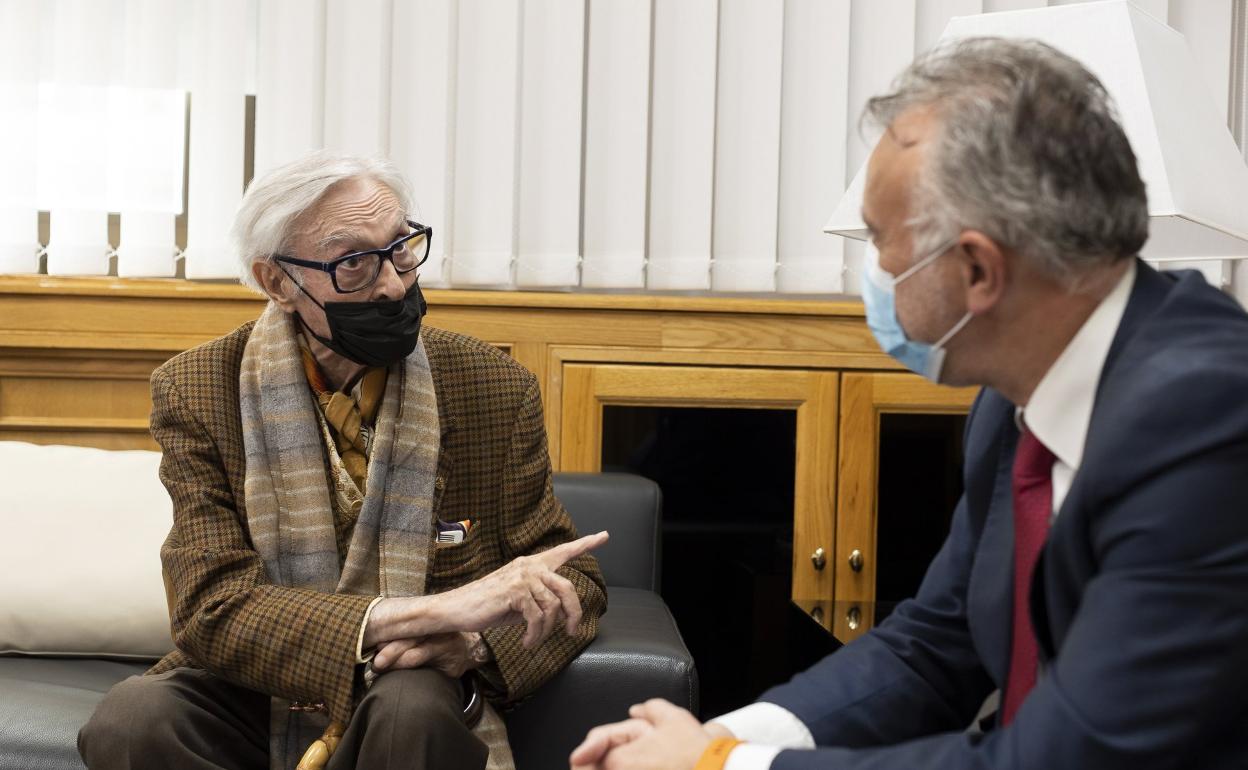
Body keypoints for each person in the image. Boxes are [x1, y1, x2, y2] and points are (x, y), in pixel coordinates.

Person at [570, 36, 1248, 770]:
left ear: (979, 269)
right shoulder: (1013, 398)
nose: (871, 267)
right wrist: (731, 738)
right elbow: (939, 640)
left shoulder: (1207, 416)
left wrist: (719, 768)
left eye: (878, 237)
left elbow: (1078, 756)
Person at [78, 150, 608, 770]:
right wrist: (432, 611)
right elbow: (210, 607)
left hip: (409, 683)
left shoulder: (490, 384)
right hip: (259, 682)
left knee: (410, 708)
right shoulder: (198, 388)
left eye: (401, 248)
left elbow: (573, 579)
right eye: (353, 263)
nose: (392, 283)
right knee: (132, 720)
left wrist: (475, 644)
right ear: (278, 281)